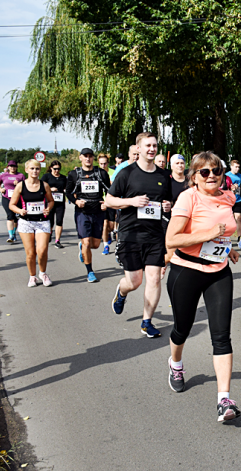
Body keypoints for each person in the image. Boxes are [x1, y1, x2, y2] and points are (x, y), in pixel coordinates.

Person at [164, 151, 241, 421]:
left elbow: (228, 228)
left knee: (221, 335)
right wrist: (208, 234)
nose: (212, 176)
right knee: (181, 329)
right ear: (194, 177)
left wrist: (226, 247)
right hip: (186, 270)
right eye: (205, 172)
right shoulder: (188, 198)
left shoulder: (228, 197)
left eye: (217, 171)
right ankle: (175, 363)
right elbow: (171, 239)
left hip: (219, 271)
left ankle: (224, 400)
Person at [107, 133, 172, 338]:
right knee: (134, 282)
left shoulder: (163, 176)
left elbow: (166, 203)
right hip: (130, 233)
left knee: (153, 279)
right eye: (147, 146)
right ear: (138, 148)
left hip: (154, 235)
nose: (151, 149)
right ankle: (122, 291)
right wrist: (131, 201)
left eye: (154, 145)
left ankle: (147, 322)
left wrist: (167, 206)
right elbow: (109, 201)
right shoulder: (126, 173)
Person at [65, 147, 110, 283]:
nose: (88, 158)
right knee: (86, 242)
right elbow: (67, 192)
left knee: (95, 245)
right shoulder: (74, 174)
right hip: (82, 213)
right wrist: (76, 201)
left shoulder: (101, 173)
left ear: (93, 158)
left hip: (98, 211)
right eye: (85, 156)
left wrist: (106, 203)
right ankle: (90, 271)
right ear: (80, 158)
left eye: (90, 156)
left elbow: (110, 191)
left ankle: (83, 248)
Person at [10, 160, 55, 287]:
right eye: (32, 168)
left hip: (42, 222)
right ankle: (32, 276)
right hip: (26, 222)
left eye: (37, 169)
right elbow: (11, 205)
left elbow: (51, 201)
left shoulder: (44, 185)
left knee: (42, 250)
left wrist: (48, 208)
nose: (35, 171)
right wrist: (20, 211)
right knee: (30, 253)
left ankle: (43, 273)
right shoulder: (20, 186)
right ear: (26, 170)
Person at [0, 160, 24, 243]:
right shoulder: (3, 175)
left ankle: (14, 233)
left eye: (14, 166)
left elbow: (25, 185)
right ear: (8, 167)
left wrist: (18, 184)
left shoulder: (20, 176)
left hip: (17, 198)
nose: (12, 168)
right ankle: (10, 236)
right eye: (11, 166)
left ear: (16, 167)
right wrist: (0, 189)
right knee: (10, 215)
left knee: (16, 218)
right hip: (6, 198)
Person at [42, 160, 67, 249]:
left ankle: (57, 240)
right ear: (51, 168)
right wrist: (49, 189)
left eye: (58, 169)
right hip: (49, 202)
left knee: (59, 221)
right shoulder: (46, 176)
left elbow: (67, 187)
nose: (57, 171)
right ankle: (49, 233)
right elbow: (41, 187)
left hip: (60, 202)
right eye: (55, 169)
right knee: (50, 221)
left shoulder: (63, 178)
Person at [98, 153, 115, 255]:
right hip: (102, 202)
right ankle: (105, 246)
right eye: (101, 164)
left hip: (112, 201)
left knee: (111, 226)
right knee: (104, 224)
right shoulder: (96, 173)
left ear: (108, 163)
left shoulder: (114, 172)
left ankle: (108, 234)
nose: (103, 166)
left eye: (105, 163)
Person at [225, 160, 241, 245]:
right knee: (228, 219)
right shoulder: (227, 176)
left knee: (239, 217)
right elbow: (224, 188)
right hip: (228, 200)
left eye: (238, 167)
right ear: (231, 167)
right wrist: (231, 189)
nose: (237, 169)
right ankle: (226, 236)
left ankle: (239, 237)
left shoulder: (240, 176)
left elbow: (239, 187)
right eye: (236, 167)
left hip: (238, 199)